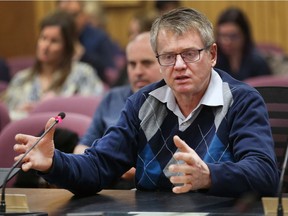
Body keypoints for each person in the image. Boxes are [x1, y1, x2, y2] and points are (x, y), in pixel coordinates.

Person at [14, 8, 279, 198]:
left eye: (189, 54)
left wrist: (209, 176)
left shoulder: (242, 100)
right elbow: (98, 167)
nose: (179, 66)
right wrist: (54, 163)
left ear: (211, 55)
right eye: (167, 56)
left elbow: (264, 173)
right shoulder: (142, 104)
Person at [73, 32, 162, 189]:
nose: (138, 71)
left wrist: (138, 171)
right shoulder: (112, 98)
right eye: (132, 64)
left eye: (146, 63)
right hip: (108, 183)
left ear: (164, 63)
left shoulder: (175, 101)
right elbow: (82, 148)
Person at [2, 10, 105, 120]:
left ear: (67, 46)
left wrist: (53, 106)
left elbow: (96, 112)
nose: (45, 46)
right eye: (43, 38)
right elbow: (5, 117)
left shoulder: (83, 73)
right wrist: (20, 112)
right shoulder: (21, 79)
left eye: (54, 41)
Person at [58, 0, 125, 87]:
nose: (69, 21)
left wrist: (84, 55)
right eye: (64, 16)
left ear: (84, 15)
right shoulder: (55, 37)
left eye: (74, 15)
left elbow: (109, 72)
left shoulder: (99, 37)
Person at [215, 7, 272, 81]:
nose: (227, 41)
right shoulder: (214, 61)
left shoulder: (257, 63)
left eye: (233, 36)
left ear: (244, 35)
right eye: (222, 36)